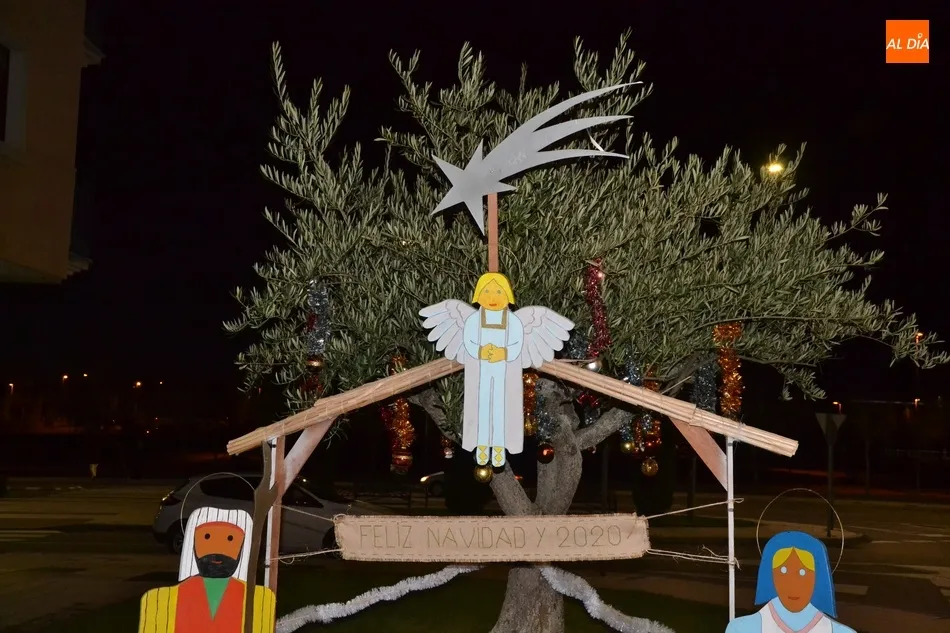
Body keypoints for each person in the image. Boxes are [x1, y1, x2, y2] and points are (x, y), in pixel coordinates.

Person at [139, 507, 275, 633]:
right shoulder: (159, 601)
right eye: (207, 537)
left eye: (230, 539)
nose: (217, 551)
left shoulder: (260, 600)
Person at [726, 530, 856, 633]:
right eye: (783, 571)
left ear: (818, 577)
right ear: (771, 575)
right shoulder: (742, 629)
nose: (793, 584)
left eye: (803, 572)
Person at [462, 273, 525, 468]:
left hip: (504, 374)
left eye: (498, 292)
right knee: (480, 405)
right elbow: (468, 341)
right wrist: (480, 350)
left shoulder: (513, 321)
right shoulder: (473, 320)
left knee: (502, 406)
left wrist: (503, 353)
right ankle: (481, 443)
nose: (492, 297)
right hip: (480, 373)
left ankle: (499, 445)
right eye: (487, 291)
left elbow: (517, 344)